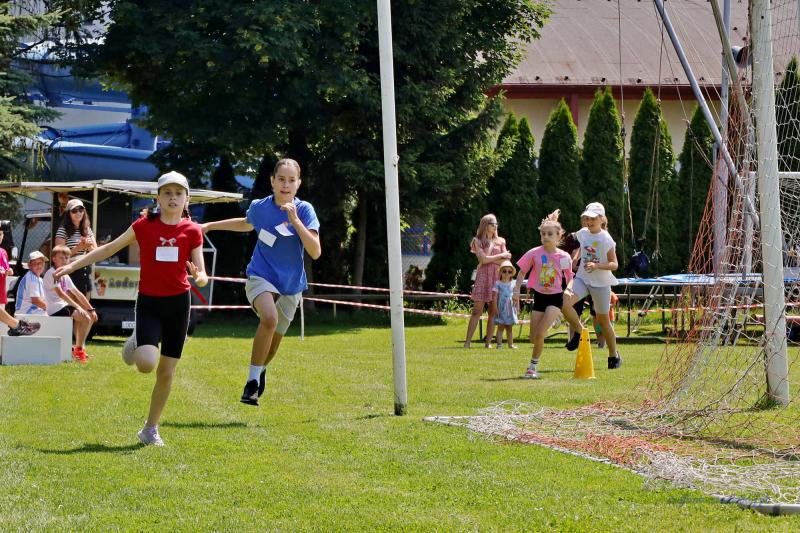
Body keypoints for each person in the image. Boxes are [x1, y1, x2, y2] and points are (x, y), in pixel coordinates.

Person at [55, 171, 208, 446]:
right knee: (147, 364)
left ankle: (150, 429)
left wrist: (200, 277)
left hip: (179, 304)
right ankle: (137, 341)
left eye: (178, 193)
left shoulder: (193, 230)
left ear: (187, 199)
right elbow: (109, 249)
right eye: (167, 193)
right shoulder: (143, 225)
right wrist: (72, 265)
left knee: (167, 371)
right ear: (158, 198)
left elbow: (202, 273)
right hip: (150, 303)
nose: (173, 198)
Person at [202, 158, 321, 407]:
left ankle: (260, 369)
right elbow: (246, 224)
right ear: (272, 181)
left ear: (298, 184)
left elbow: (315, 251)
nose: (285, 185)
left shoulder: (305, 210)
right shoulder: (259, 207)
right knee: (269, 318)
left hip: (291, 284)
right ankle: (252, 383)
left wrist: (296, 221)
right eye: (281, 179)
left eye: (291, 180)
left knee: (273, 347)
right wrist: (210, 226)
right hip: (261, 275)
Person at [514, 210, 576, 379]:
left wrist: (569, 289)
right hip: (539, 297)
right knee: (533, 338)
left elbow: (570, 277)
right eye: (543, 234)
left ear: (559, 236)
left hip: (556, 297)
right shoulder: (534, 253)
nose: (546, 237)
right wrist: (516, 291)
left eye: (550, 234)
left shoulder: (564, 256)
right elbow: (521, 272)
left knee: (541, 333)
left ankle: (532, 368)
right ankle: (555, 319)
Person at [562, 201, 622, 369]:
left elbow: (614, 264)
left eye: (593, 218)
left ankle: (614, 356)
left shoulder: (606, 239)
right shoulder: (582, 233)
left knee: (603, 321)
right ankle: (580, 331)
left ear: (602, 219)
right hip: (582, 278)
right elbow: (582, 246)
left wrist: (597, 266)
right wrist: (576, 257)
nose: (589, 221)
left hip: (601, 284)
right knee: (565, 304)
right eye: (587, 218)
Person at [43, 245, 98, 363]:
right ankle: (78, 350)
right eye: (61, 258)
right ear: (54, 259)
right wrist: (78, 306)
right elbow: (61, 294)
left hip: (63, 306)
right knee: (85, 318)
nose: (65, 260)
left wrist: (91, 309)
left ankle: (78, 349)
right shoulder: (51, 273)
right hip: (54, 308)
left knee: (88, 317)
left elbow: (78, 293)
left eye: (67, 258)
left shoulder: (65, 275)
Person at [464, 214, 510, 348]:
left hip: (496, 277)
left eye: (496, 224)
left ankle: (488, 343)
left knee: (493, 311)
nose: (495, 226)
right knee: (476, 311)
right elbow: (482, 260)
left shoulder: (501, 241)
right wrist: (500, 256)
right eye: (492, 224)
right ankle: (467, 342)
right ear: (485, 225)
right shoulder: (477, 241)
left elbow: (506, 260)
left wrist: (492, 258)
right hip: (483, 278)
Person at [55, 198, 96, 298]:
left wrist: (88, 246)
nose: (78, 213)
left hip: (85, 268)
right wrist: (79, 247)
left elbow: (95, 251)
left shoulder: (87, 229)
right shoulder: (63, 230)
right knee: (73, 301)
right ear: (68, 213)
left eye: (81, 210)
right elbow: (59, 254)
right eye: (74, 210)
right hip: (70, 270)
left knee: (86, 299)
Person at [492, 260, 518, 349]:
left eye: (509, 271)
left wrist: (517, 307)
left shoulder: (513, 283)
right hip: (501, 308)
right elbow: (494, 297)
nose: (507, 273)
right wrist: (495, 307)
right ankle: (499, 344)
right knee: (500, 327)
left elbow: (515, 297)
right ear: (500, 272)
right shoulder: (497, 284)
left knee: (509, 327)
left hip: (510, 309)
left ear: (511, 273)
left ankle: (511, 344)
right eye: (504, 271)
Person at [15, 251, 47, 316]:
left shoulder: (40, 279)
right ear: (29, 265)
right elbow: (36, 301)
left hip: (35, 312)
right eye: (35, 263)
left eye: (40, 263)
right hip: (25, 313)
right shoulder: (31, 278)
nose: (39, 265)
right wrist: (52, 309)